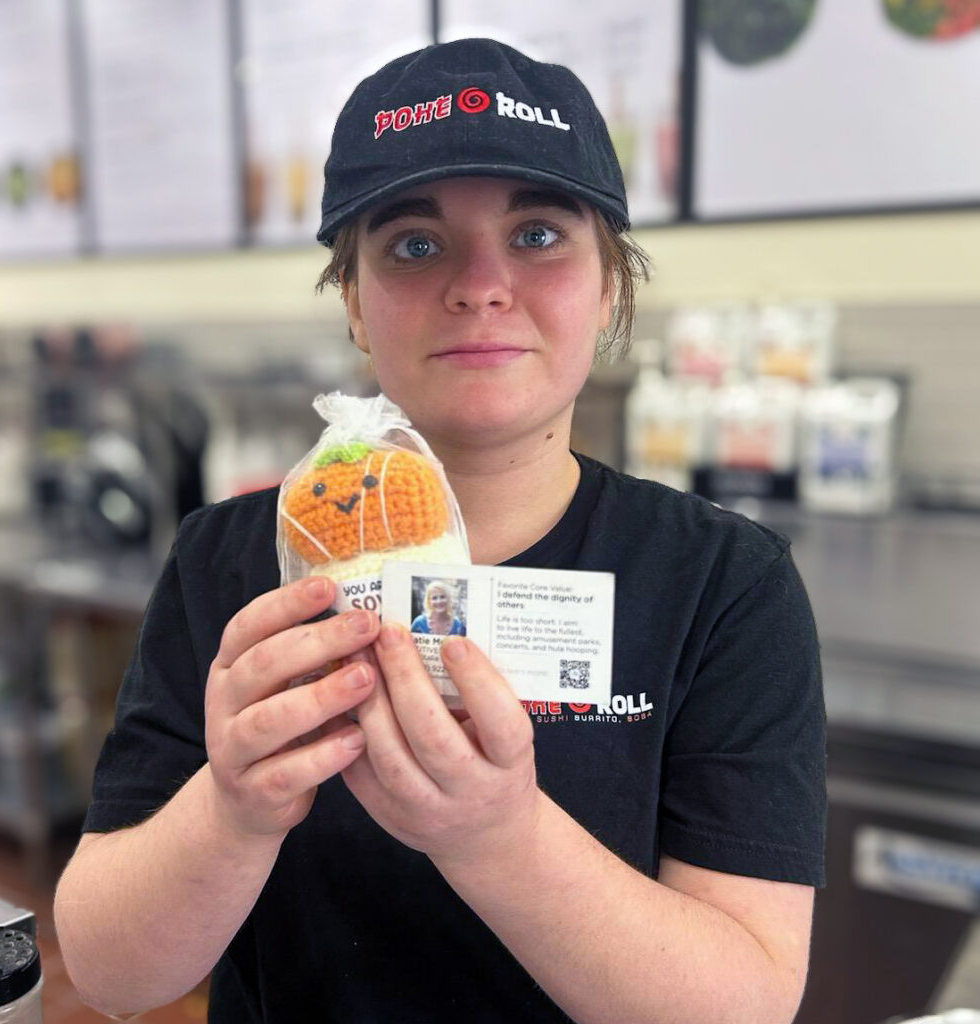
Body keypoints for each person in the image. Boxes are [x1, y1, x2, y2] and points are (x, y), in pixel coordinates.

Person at [54, 38, 826, 1023]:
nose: (480, 284)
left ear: (611, 290)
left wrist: (495, 837)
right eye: (414, 243)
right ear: (355, 305)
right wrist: (232, 809)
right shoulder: (231, 560)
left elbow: (743, 1003)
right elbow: (114, 976)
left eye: (539, 234)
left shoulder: (722, 583)